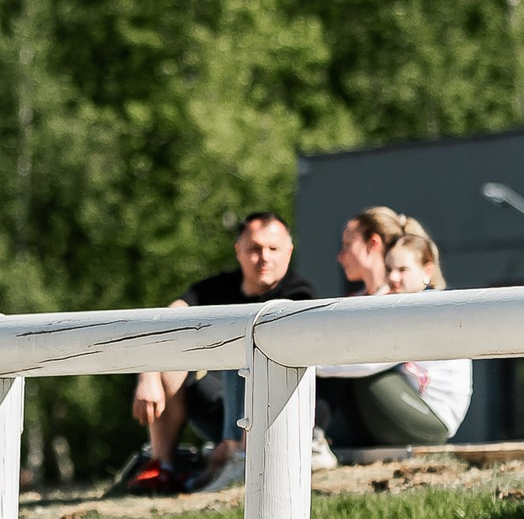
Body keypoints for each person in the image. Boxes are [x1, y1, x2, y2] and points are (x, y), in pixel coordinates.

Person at [128, 212, 317, 495]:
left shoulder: (299, 296)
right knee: (170, 363)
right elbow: (168, 320)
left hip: (272, 417)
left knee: (244, 347)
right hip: (221, 408)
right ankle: (163, 468)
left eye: (273, 248)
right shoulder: (219, 287)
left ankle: (234, 453)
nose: (264, 257)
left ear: (289, 251)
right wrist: (148, 375)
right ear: (238, 251)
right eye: (255, 249)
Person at [316, 225, 471, 448]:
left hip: (432, 421)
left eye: (402, 269)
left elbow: (369, 361)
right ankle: (320, 439)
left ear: (427, 271)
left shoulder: (429, 306)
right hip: (406, 408)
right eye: (389, 269)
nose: (393, 277)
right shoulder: (402, 305)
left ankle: (316, 437)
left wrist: (311, 364)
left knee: (355, 369)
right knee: (346, 369)